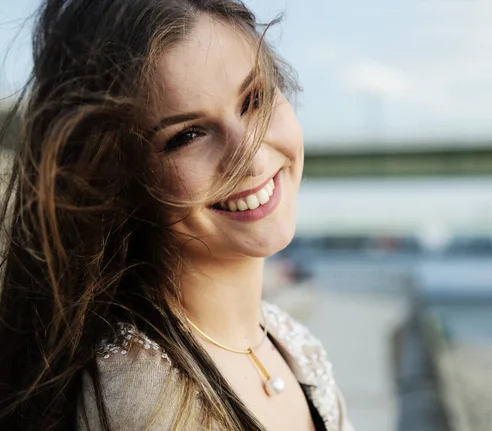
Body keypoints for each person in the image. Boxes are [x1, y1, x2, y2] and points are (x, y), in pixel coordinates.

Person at [0, 1, 353, 430]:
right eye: (187, 136)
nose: (251, 155)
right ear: (117, 178)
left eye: (254, 99)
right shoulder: (143, 401)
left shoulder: (291, 345)